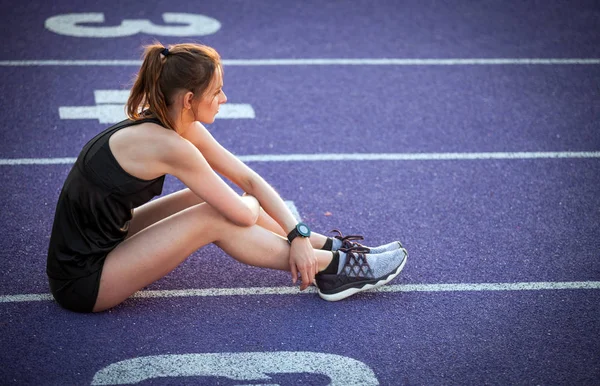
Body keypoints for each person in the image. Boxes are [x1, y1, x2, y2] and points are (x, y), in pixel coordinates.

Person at [46, 43, 408, 313]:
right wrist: (250, 207)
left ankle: (325, 248)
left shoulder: (170, 121)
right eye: (216, 91)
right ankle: (335, 270)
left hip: (110, 238)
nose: (224, 98)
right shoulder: (171, 145)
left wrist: (299, 235)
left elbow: (248, 179)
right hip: (83, 281)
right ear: (189, 99)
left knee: (206, 199)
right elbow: (240, 213)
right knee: (212, 215)